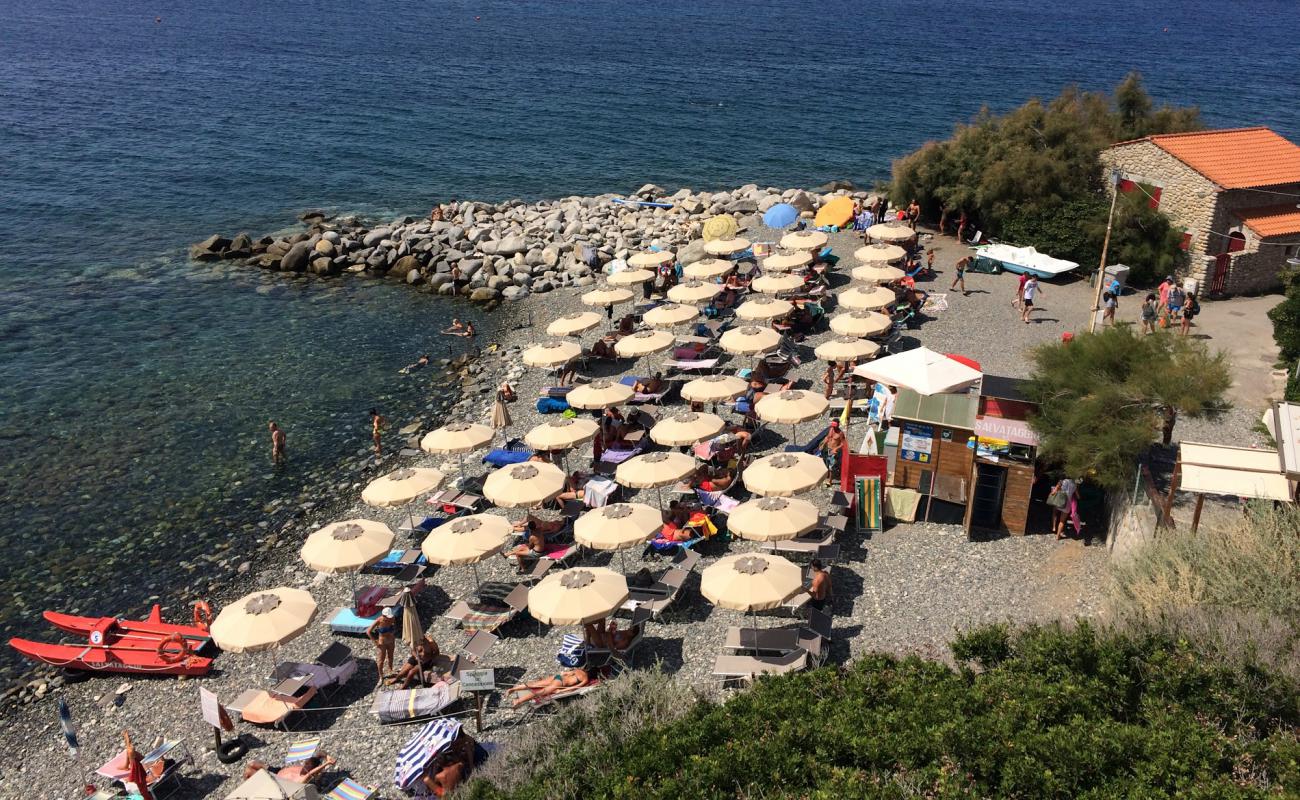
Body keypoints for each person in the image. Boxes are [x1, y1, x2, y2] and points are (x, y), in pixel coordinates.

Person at [504, 668, 590, 708]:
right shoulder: (585, 678)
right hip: (560, 683)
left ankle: (512, 689)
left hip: (558, 677)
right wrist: (561, 690)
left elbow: (564, 673)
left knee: (534, 684)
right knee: (540, 692)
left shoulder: (578, 669)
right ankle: (518, 701)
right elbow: (574, 688)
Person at [243, 753, 337, 786]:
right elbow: (320, 753)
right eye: (305, 763)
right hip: (277, 770)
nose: (304, 765)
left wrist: (327, 763)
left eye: (306, 765)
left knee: (248, 772)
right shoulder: (307, 766)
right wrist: (327, 757)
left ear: (312, 770)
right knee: (252, 763)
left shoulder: (303, 779)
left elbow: (311, 773)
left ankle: (253, 788)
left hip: (276, 780)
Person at [367, 608, 397, 684]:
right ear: (383, 616)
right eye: (387, 616)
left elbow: (393, 626)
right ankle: (381, 676)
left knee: (391, 656)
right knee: (380, 660)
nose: (389, 618)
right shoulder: (379, 620)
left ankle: (390, 670)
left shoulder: (392, 618)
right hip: (382, 642)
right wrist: (375, 641)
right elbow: (368, 631)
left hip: (391, 640)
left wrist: (392, 632)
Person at [820, 420, 846, 484]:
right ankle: (827, 475)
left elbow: (843, 443)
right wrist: (823, 444)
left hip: (833, 451)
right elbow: (828, 437)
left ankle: (830, 481)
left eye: (835, 427)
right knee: (826, 462)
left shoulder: (840, 433)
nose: (834, 428)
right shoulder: (831, 429)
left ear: (838, 425)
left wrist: (836, 449)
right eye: (833, 426)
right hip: (827, 449)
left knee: (831, 466)